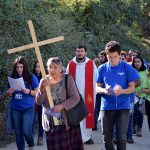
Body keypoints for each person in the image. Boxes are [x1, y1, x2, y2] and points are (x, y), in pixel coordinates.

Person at [96, 41, 139, 150]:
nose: (112, 59)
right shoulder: (102, 68)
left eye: (115, 57)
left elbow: (132, 87)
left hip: (123, 107)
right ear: (106, 55)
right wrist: (104, 90)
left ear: (120, 55)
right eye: (109, 57)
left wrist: (122, 91)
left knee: (121, 138)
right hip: (106, 107)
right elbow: (96, 87)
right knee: (106, 137)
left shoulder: (127, 68)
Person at [36, 57, 84, 150]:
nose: (52, 70)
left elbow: (75, 98)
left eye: (55, 67)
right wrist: (41, 89)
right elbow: (38, 102)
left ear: (61, 68)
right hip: (51, 123)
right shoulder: (44, 80)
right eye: (50, 67)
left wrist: (62, 106)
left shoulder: (67, 78)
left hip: (67, 121)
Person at [6, 56, 39, 150]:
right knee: (18, 133)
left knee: (26, 131)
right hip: (15, 108)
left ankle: (31, 146)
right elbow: (8, 93)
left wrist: (29, 91)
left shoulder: (31, 77)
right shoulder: (12, 77)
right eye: (17, 67)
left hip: (28, 108)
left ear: (25, 67)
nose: (19, 69)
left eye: (21, 67)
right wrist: (9, 92)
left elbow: (38, 93)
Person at [67, 45, 97, 144]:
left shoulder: (91, 64)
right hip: (74, 95)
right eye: (78, 51)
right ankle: (75, 136)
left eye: (82, 51)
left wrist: (95, 91)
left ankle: (87, 137)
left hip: (88, 94)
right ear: (75, 52)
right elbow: (67, 79)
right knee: (75, 115)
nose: (80, 53)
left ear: (86, 53)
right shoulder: (71, 64)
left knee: (86, 114)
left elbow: (96, 79)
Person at [132, 56, 148, 137]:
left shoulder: (146, 72)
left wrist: (140, 93)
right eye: (135, 62)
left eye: (139, 61)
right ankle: (133, 128)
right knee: (133, 112)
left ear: (142, 62)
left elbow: (146, 84)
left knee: (140, 113)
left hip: (142, 96)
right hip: (133, 95)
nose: (137, 63)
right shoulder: (131, 71)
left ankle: (139, 129)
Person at [32, 62, 44, 145]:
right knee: (31, 120)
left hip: (41, 101)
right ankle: (31, 137)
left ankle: (40, 137)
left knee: (41, 120)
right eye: (36, 67)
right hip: (32, 101)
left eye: (39, 67)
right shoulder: (31, 76)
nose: (38, 68)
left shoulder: (45, 77)